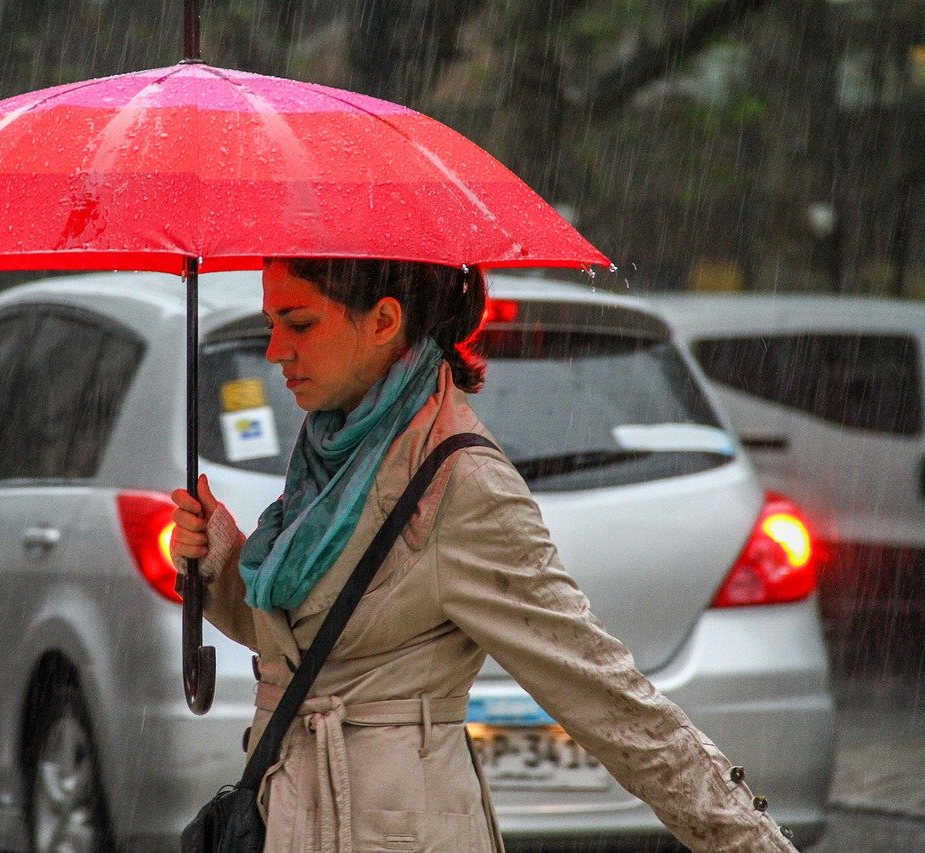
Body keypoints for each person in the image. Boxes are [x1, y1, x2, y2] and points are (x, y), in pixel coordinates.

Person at [170, 257, 798, 852]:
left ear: (385, 322)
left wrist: (746, 839)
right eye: (271, 323)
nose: (276, 349)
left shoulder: (462, 482)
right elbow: (316, 650)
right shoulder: (332, 457)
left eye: (299, 323)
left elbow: (602, 692)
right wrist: (220, 565)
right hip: (290, 818)